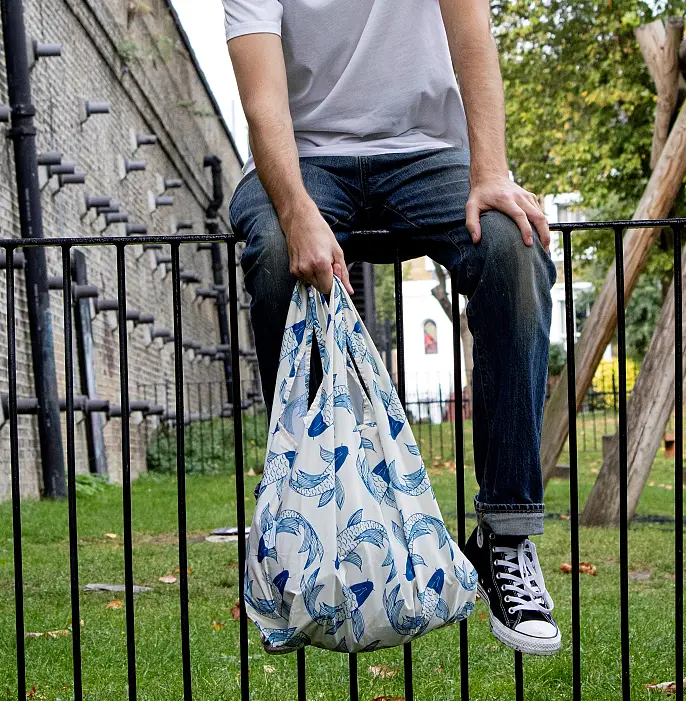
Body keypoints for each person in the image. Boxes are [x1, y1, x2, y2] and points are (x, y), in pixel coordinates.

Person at [223, 0, 560, 656]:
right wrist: (295, 213)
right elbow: (261, 98)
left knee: (512, 250)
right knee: (271, 254)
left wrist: (490, 172)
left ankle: (505, 535)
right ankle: (322, 524)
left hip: (430, 155)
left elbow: (472, 39)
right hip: (308, 157)